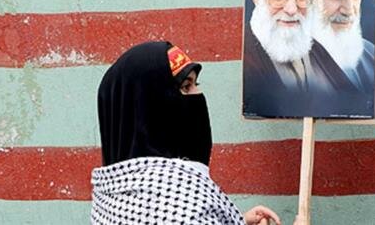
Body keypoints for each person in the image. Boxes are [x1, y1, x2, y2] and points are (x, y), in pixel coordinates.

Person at [91, 41, 281, 225]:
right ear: (149, 105)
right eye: (185, 86)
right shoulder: (179, 202)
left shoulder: (112, 190)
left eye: (195, 84)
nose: (198, 94)